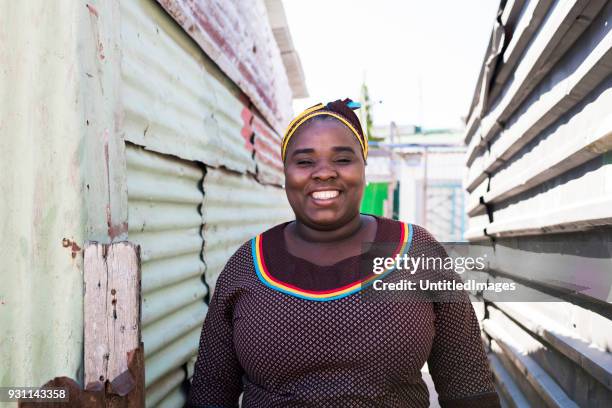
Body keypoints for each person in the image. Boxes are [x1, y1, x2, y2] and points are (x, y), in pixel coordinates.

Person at [186, 99, 501, 407]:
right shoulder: (248, 265)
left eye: (342, 159)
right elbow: (211, 391)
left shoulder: (416, 252)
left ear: (364, 168)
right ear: (286, 174)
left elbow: (467, 386)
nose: (324, 173)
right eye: (305, 161)